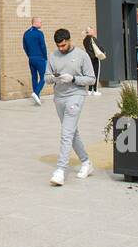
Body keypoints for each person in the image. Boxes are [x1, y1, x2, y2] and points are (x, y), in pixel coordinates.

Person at [44, 28, 96, 185]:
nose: (61, 48)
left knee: (66, 133)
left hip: (76, 96)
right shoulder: (53, 56)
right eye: (58, 46)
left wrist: (73, 79)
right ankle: (86, 163)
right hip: (59, 98)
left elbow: (91, 79)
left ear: (69, 40)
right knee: (72, 133)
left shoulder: (82, 55)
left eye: (63, 45)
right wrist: (55, 78)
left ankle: (60, 170)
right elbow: (46, 78)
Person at [23, 18, 47, 105]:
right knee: (44, 77)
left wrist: (29, 55)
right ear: (35, 22)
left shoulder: (26, 33)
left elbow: (24, 47)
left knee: (34, 77)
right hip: (40, 58)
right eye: (40, 22)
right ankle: (36, 93)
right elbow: (43, 46)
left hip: (31, 58)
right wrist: (45, 57)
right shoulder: (39, 33)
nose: (41, 23)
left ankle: (37, 98)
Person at [82, 26, 105, 96]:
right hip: (95, 58)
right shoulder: (93, 39)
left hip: (88, 59)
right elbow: (100, 47)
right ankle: (95, 90)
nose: (93, 32)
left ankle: (89, 90)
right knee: (96, 74)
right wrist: (103, 52)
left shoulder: (84, 40)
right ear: (89, 32)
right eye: (92, 30)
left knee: (90, 74)